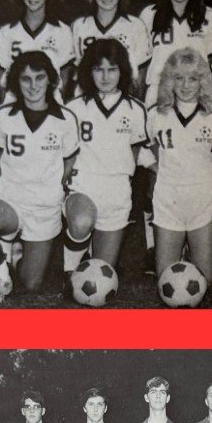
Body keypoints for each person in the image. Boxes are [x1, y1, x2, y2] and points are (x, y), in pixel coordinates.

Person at [0, 51, 79, 304]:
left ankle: (13, 251)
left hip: (43, 207)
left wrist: (54, 189)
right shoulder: (3, 116)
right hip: (10, 198)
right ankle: (1, 277)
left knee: (31, 285)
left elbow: (69, 161)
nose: (33, 86)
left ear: (51, 81)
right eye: (26, 79)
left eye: (39, 78)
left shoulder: (66, 119)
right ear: (16, 83)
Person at [143, 48, 212, 283]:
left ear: (202, 80)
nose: (185, 85)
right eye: (178, 78)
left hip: (203, 197)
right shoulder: (156, 114)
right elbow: (142, 147)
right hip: (168, 197)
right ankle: (178, 248)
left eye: (192, 78)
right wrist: (154, 167)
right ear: (169, 80)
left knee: (205, 281)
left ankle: (199, 249)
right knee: (166, 280)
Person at [62, 39, 148, 276]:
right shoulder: (75, 108)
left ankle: (86, 256)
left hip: (117, 192)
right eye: (98, 69)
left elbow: (138, 152)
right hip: (84, 186)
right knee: (81, 222)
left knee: (101, 272)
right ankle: (68, 270)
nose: (105, 76)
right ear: (89, 72)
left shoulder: (135, 109)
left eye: (112, 69)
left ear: (123, 71)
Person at [140, 0, 212, 107]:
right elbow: (143, 66)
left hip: (195, 93)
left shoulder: (209, 16)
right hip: (158, 93)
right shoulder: (149, 14)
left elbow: (209, 64)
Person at [0, 0, 75, 102]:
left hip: (49, 104)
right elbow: (0, 71)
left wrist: (53, 98)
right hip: (15, 104)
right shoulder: (7, 32)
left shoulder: (62, 31)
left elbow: (65, 72)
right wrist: (6, 100)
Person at [71, 0, 152, 96]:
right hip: (87, 100)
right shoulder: (79, 26)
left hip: (123, 98)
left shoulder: (135, 25)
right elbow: (76, 72)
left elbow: (140, 77)